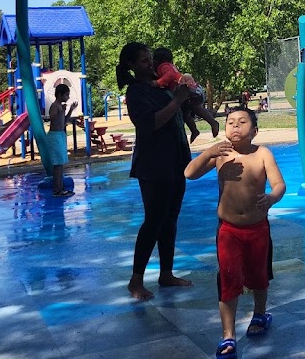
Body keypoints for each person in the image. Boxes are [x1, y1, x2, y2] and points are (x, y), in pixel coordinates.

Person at [184, 107, 286, 357]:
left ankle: (260, 313)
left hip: (258, 229)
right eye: (230, 122)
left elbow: (279, 184)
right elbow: (189, 173)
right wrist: (208, 152)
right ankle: (228, 336)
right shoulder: (221, 154)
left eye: (242, 122)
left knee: (259, 275)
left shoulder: (263, 154)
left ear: (255, 130)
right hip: (228, 230)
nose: (235, 126)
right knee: (229, 278)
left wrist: (272, 197)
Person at [117, 41, 195, 300]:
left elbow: (180, 112)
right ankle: (136, 280)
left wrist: (188, 97)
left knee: (170, 220)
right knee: (153, 221)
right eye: (142, 61)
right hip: (153, 165)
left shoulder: (160, 86)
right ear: (130, 65)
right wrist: (178, 101)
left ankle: (166, 273)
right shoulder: (136, 92)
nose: (150, 63)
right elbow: (150, 124)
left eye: (150, 58)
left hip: (175, 161)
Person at [153, 47, 220, 143]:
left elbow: (169, 76)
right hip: (187, 93)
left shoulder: (164, 66)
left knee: (197, 109)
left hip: (191, 91)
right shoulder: (170, 66)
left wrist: (157, 83)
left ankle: (213, 122)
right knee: (186, 115)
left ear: (156, 60)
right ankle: (194, 130)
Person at [47, 84, 77, 197]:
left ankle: (61, 187)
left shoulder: (61, 106)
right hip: (54, 136)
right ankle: (57, 189)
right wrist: (61, 112)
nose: (68, 97)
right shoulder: (55, 106)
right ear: (60, 95)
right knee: (57, 164)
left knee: (61, 164)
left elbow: (63, 122)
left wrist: (70, 110)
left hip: (60, 134)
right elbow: (53, 121)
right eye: (67, 95)